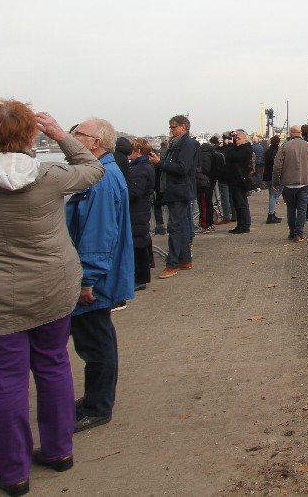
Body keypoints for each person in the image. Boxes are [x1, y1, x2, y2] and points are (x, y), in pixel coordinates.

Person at [0, 101, 104, 495]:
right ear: (32, 136)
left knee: (6, 379)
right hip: (51, 286)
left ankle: (13, 471)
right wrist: (59, 134)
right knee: (53, 365)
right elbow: (93, 168)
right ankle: (59, 450)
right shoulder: (50, 176)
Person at [65, 118, 135, 434]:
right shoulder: (99, 173)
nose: (69, 137)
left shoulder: (100, 179)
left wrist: (88, 279)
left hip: (96, 277)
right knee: (95, 339)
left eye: (76, 134)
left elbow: (99, 233)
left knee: (96, 341)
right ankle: (95, 400)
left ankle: (97, 406)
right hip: (99, 271)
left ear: (95, 142)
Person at [152, 115, 199, 275]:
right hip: (178, 190)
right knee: (183, 226)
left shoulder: (186, 144)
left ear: (183, 127)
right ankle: (184, 260)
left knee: (175, 227)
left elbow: (182, 168)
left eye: (173, 127)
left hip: (179, 191)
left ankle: (173, 264)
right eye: (170, 127)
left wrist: (160, 163)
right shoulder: (177, 144)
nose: (171, 130)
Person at [272, 125, 308, 242]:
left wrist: (276, 182)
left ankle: (292, 232)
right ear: (300, 133)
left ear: (291, 133)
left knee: (291, 209)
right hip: (304, 183)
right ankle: (299, 233)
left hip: (288, 183)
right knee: (302, 209)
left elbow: (277, 166)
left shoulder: (284, 147)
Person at [126, 138, 156, 290]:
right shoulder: (144, 166)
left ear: (138, 151)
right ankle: (144, 272)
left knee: (138, 242)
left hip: (137, 209)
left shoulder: (140, 168)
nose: (128, 154)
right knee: (142, 239)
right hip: (141, 208)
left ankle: (140, 278)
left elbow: (135, 192)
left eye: (131, 150)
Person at [222, 130, 254, 233]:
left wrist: (231, 145)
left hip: (240, 180)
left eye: (239, 139)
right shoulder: (240, 148)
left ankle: (245, 225)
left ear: (245, 140)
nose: (237, 140)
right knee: (237, 204)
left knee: (241, 203)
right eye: (236, 139)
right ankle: (240, 224)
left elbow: (233, 156)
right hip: (235, 179)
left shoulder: (246, 149)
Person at [263, 134, 282, 224]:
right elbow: (277, 165)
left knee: (271, 195)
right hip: (274, 176)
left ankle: (272, 213)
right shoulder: (277, 152)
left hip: (267, 175)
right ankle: (271, 215)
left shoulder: (267, 151)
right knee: (274, 196)